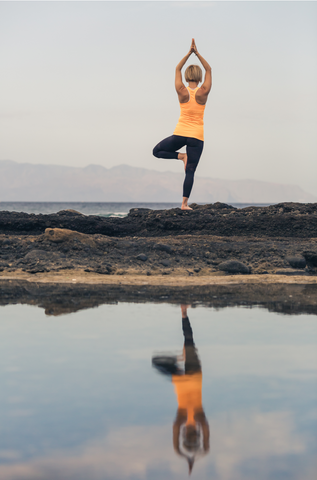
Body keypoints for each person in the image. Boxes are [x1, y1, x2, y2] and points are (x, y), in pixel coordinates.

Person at [153, 39, 212, 210]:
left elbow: (177, 68)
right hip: (197, 136)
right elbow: (209, 69)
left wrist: (188, 53)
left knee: (156, 151)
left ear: (186, 76)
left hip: (181, 132)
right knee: (190, 171)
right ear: (200, 77)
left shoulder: (181, 91)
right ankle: (184, 204)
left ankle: (180, 156)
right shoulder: (203, 92)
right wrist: (197, 53)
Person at [152, 304, 210, 474]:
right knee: (156, 361)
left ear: (196, 433)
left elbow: (206, 438)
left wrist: (200, 450)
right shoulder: (182, 419)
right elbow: (175, 432)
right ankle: (183, 313)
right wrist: (180, 452)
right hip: (180, 378)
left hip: (194, 376)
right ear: (185, 433)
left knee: (189, 339)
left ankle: (184, 312)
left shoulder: (199, 418)